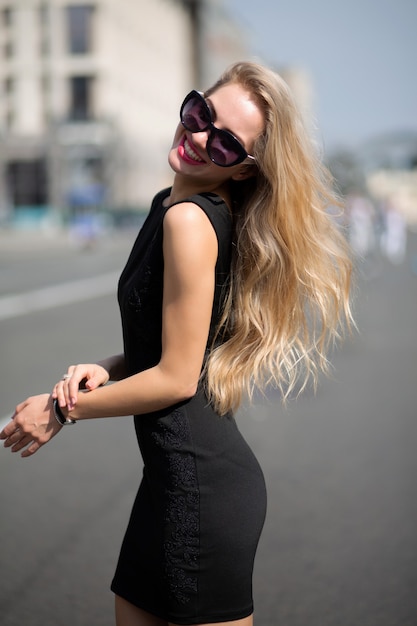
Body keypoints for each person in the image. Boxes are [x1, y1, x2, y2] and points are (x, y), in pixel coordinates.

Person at [1, 62, 353, 626]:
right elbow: (174, 345)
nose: (197, 138)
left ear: (243, 170)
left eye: (225, 143)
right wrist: (109, 367)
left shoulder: (189, 221)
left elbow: (176, 378)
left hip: (200, 490)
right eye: (199, 114)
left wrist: (61, 411)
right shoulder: (170, 205)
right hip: (168, 487)